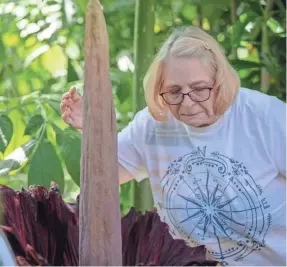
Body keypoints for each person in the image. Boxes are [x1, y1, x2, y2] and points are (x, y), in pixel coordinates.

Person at [60, 26, 286, 266]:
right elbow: (106, 174)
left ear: (220, 80)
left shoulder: (266, 117)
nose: (187, 103)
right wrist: (93, 126)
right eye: (175, 91)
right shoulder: (154, 124)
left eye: (199, 89)